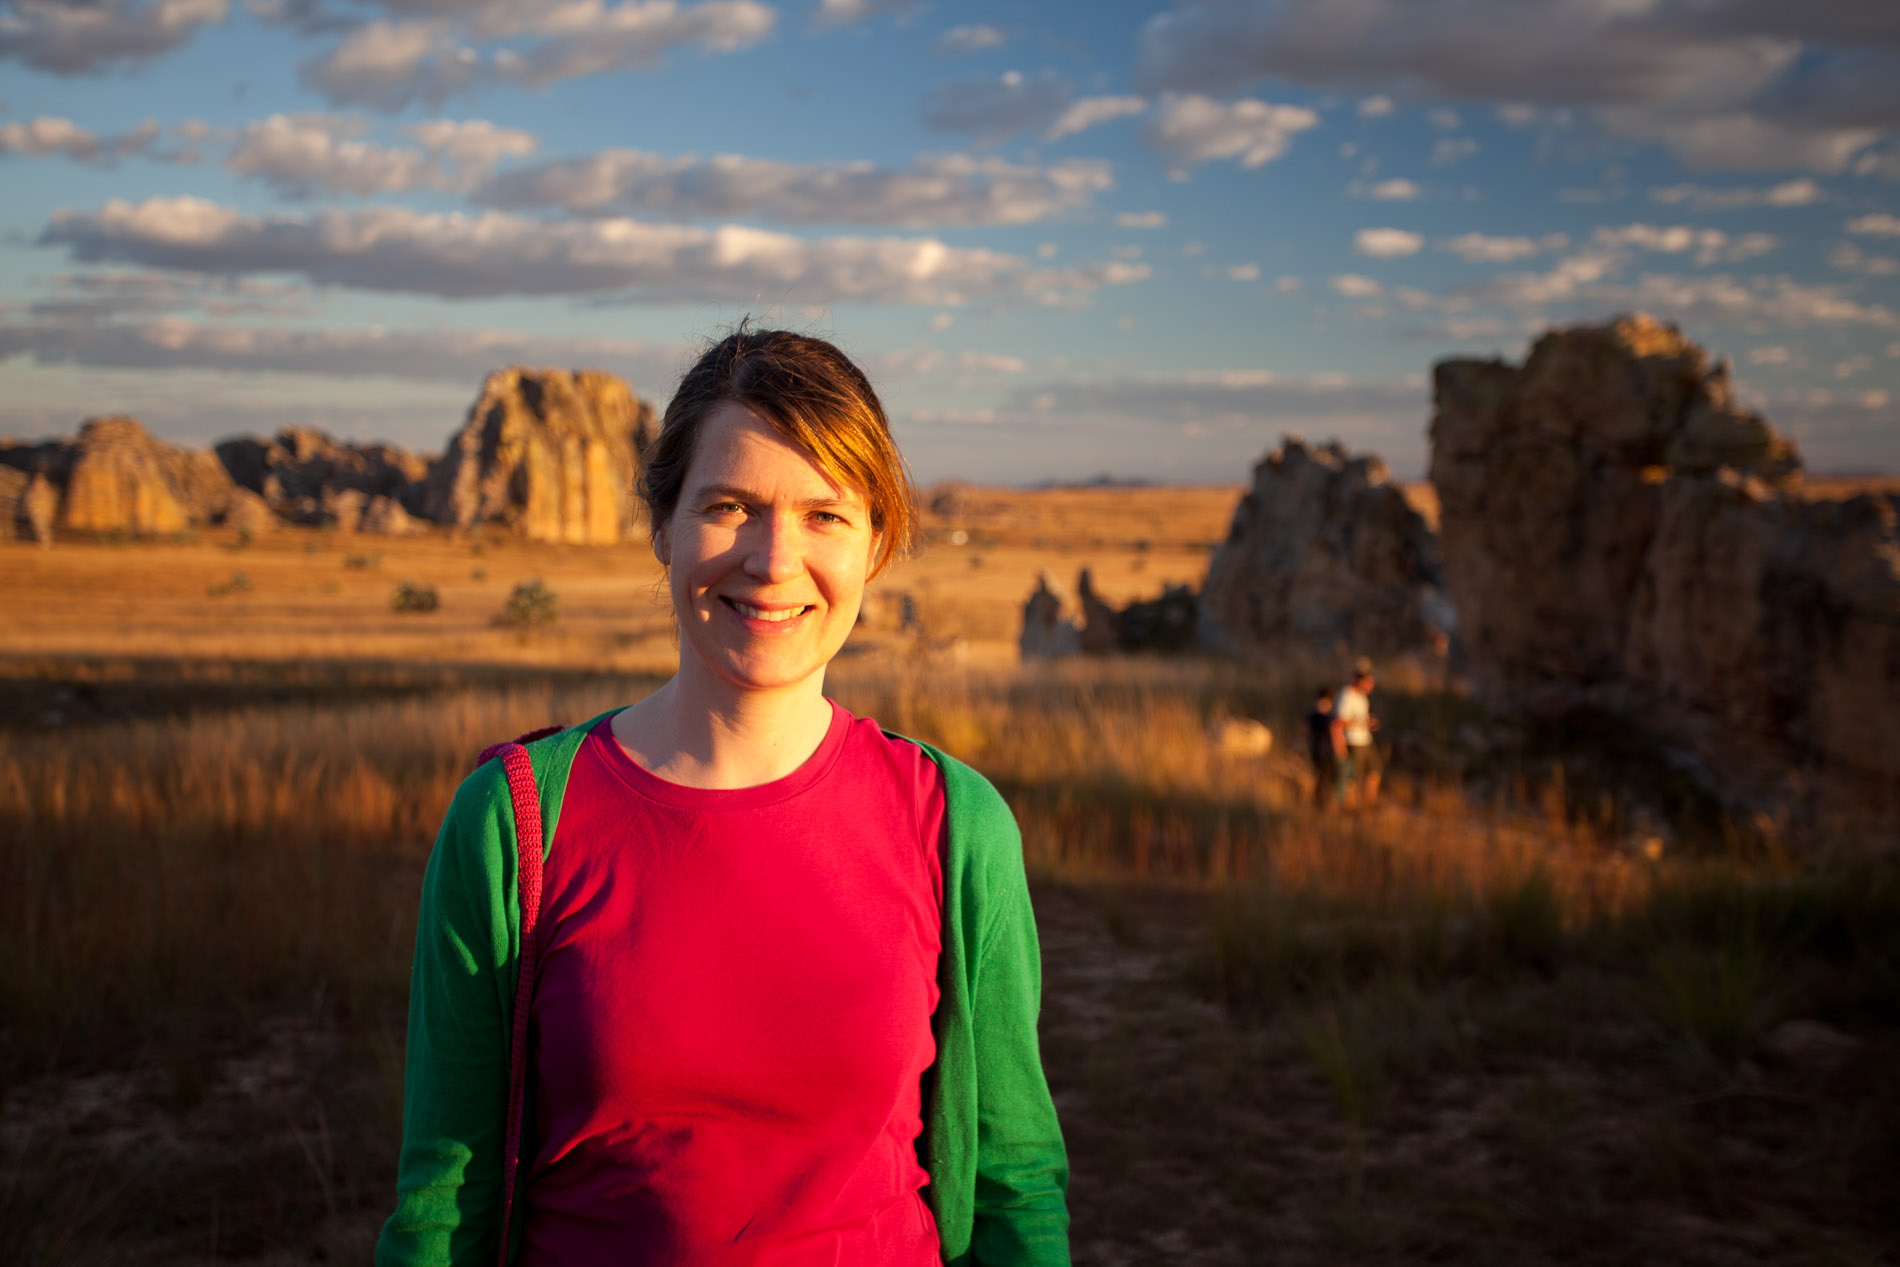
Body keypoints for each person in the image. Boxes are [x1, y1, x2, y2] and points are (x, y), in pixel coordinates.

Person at [377, 327, 1071, 1266]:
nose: (774, 559)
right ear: (663, 524)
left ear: (876, 544)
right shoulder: (515, 823)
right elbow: (441, 1205)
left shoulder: (955, 824)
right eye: (732, 505)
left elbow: (1015, 1185)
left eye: (827, 514)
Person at [1335, 658, 1381, 808]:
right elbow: (1340, 722)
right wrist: (1363, 723)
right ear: (1358, 679)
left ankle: (1370, 804)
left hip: (1366, 740)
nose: (1371, 686)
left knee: (1374, 772)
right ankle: (1350, 808)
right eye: (1368, 682)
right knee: (1352, 778)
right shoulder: (1346, 695)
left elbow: (1358, 718)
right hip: (1353, 742)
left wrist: (1368, 723)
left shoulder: (1362, 696)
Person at [1304, 686, 1346, 809]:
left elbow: (1305, 731)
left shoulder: (1311, 713)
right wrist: (1340, 751)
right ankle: (1325, 805)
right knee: (1328, 780)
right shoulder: (1331, 715)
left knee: (1318, 778)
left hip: (1314, 750)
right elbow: (1336, 733)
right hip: (1328, 751)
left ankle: (1317, 804)